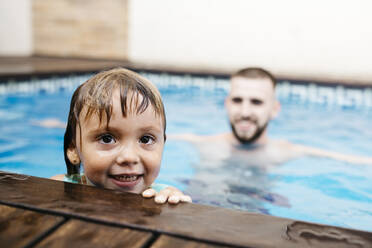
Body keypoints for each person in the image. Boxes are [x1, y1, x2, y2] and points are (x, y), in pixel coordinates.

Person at [51, 68, 191, 205]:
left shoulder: (162, 196)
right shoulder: (59, 188)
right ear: (74, 150)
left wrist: (173, 201)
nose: (129, 157)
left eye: (145, 139)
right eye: (107, 139)